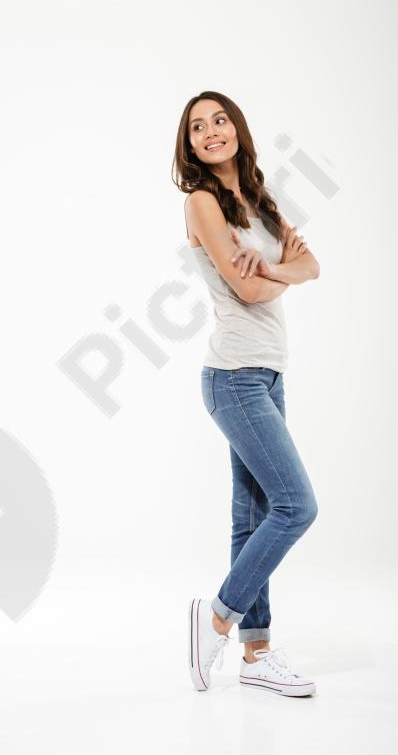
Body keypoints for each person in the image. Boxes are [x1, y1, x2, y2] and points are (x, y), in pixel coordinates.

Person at [172, 91, 320, 697]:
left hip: (268, 374)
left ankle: (256, 656)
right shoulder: (203, 202)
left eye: (220, 119)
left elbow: (311, 266)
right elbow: (248, 292)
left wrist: (277, 269)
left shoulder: (259, 199)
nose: (212, 131)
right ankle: (215, 619)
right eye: (198, 127)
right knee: (296, 506)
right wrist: (277, 273)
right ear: (190, 146)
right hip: (233, 376)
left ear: (237, 128)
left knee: (254, 516)